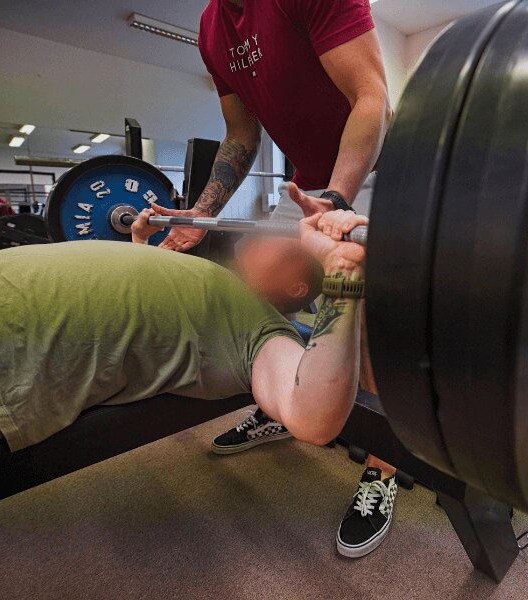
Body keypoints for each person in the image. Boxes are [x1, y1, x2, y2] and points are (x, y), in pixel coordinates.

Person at [150, 0, 399, 558]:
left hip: (383, 169)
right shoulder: (212, 28)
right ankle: (285, 402)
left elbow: (373, 97)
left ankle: (385, 468)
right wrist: (200, 211)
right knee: (255, 282)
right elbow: (241, 133)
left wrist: (338, 198)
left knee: (363, 315)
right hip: (308, 184)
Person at [0, 209, 364, 468]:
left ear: (296, 286)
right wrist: (140, 244)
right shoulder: (219, 278)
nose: (271, 231)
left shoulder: (263, 330)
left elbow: (312, 417)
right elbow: (147, 300)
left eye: (290, 243)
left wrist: (342, 268)